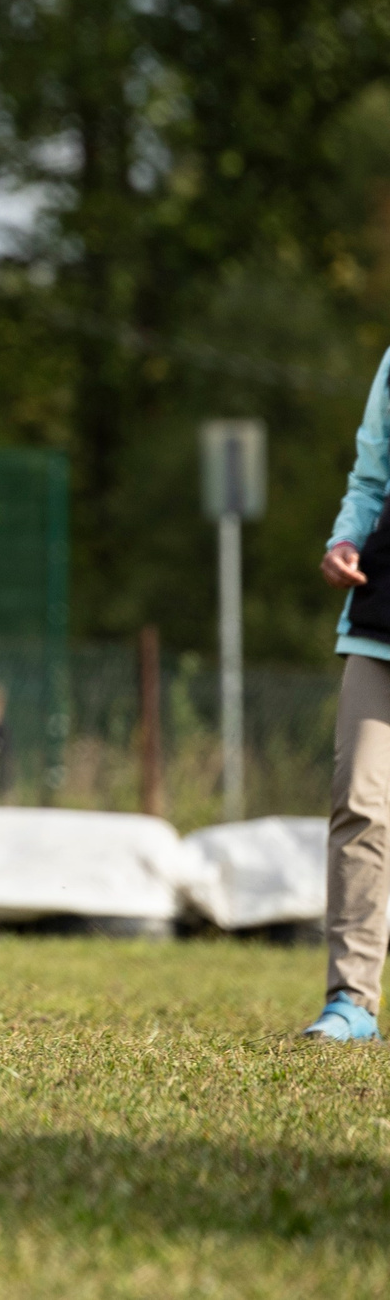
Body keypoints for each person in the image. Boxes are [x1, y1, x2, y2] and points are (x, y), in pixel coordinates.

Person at [307, 349, 390, 1039]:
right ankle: (353, 1001)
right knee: (359, 801)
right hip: (381, 619)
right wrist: (346, 539)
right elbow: (370, 478)